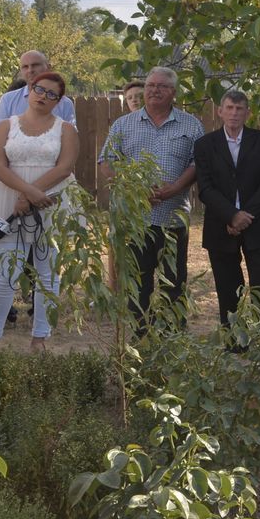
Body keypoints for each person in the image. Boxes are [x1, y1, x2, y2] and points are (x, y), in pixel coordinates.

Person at [0, 50, 77, 303]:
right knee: (4, 243)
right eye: (25, 66)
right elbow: (1, 149)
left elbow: (64, 151)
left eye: (36, 65)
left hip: (48, 187)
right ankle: (0, 301)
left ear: (48, 66)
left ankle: (37, 304)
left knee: (45, 249)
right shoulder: (9, 99)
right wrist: (23, 191)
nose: (30, 71)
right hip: (10, 182)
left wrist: (33, 193)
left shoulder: (64, 103)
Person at [97, 66, 203, 329]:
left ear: (173, 93)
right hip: (135, 219)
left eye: (162, 86)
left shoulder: (191, 124)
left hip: (173, 219)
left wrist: (175, 187)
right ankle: (140, 336)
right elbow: (106, 162)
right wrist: (135, 191)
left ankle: (173, 337)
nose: (154, 90)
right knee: (138, 282)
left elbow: (198, 163)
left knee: (173, 281)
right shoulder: (124, 124)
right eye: (150, 86)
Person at [0, 71, 78, 347]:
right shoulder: (5, 126)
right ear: (30, 90)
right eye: (40, 89)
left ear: (59, 101)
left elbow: (64, 168)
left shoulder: (66, 129)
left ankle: (40, 338)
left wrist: (34, 195)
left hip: (53, 202)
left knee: (48, 274)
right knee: (5, 274)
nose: (43, 96)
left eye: (52, 94)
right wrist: (28, 194)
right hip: (11, 201)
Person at [193, 88, 260, 325]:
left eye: (239, 109)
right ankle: (234, 342)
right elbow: (205, 188)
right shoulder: (204, 145)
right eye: (229, 108)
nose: (234, 113)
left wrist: (244, 217)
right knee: (228, 287)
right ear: (220, 111)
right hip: (220, 226)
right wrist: (231, 216)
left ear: (247, 113)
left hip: (257, 223)